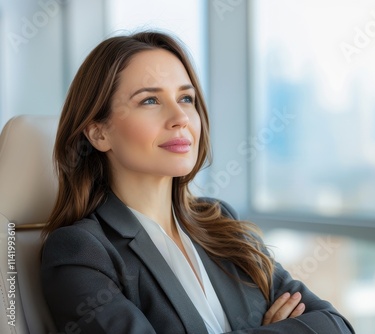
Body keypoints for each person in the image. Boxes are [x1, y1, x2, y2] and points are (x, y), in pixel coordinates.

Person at [40, 31, 354, 334]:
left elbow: (335, 324)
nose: (180, 117)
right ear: (99, 133)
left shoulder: (220, 222)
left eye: (186, 98)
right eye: (150, 100)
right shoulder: (80, 252)